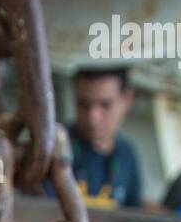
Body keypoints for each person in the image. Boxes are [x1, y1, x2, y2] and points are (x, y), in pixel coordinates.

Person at [55, 67, 143, 208]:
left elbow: (133, 216)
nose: (93, 118)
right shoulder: (55, 146)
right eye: (83, 104)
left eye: (105, 105)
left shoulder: (127, 154)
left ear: (127, 99)